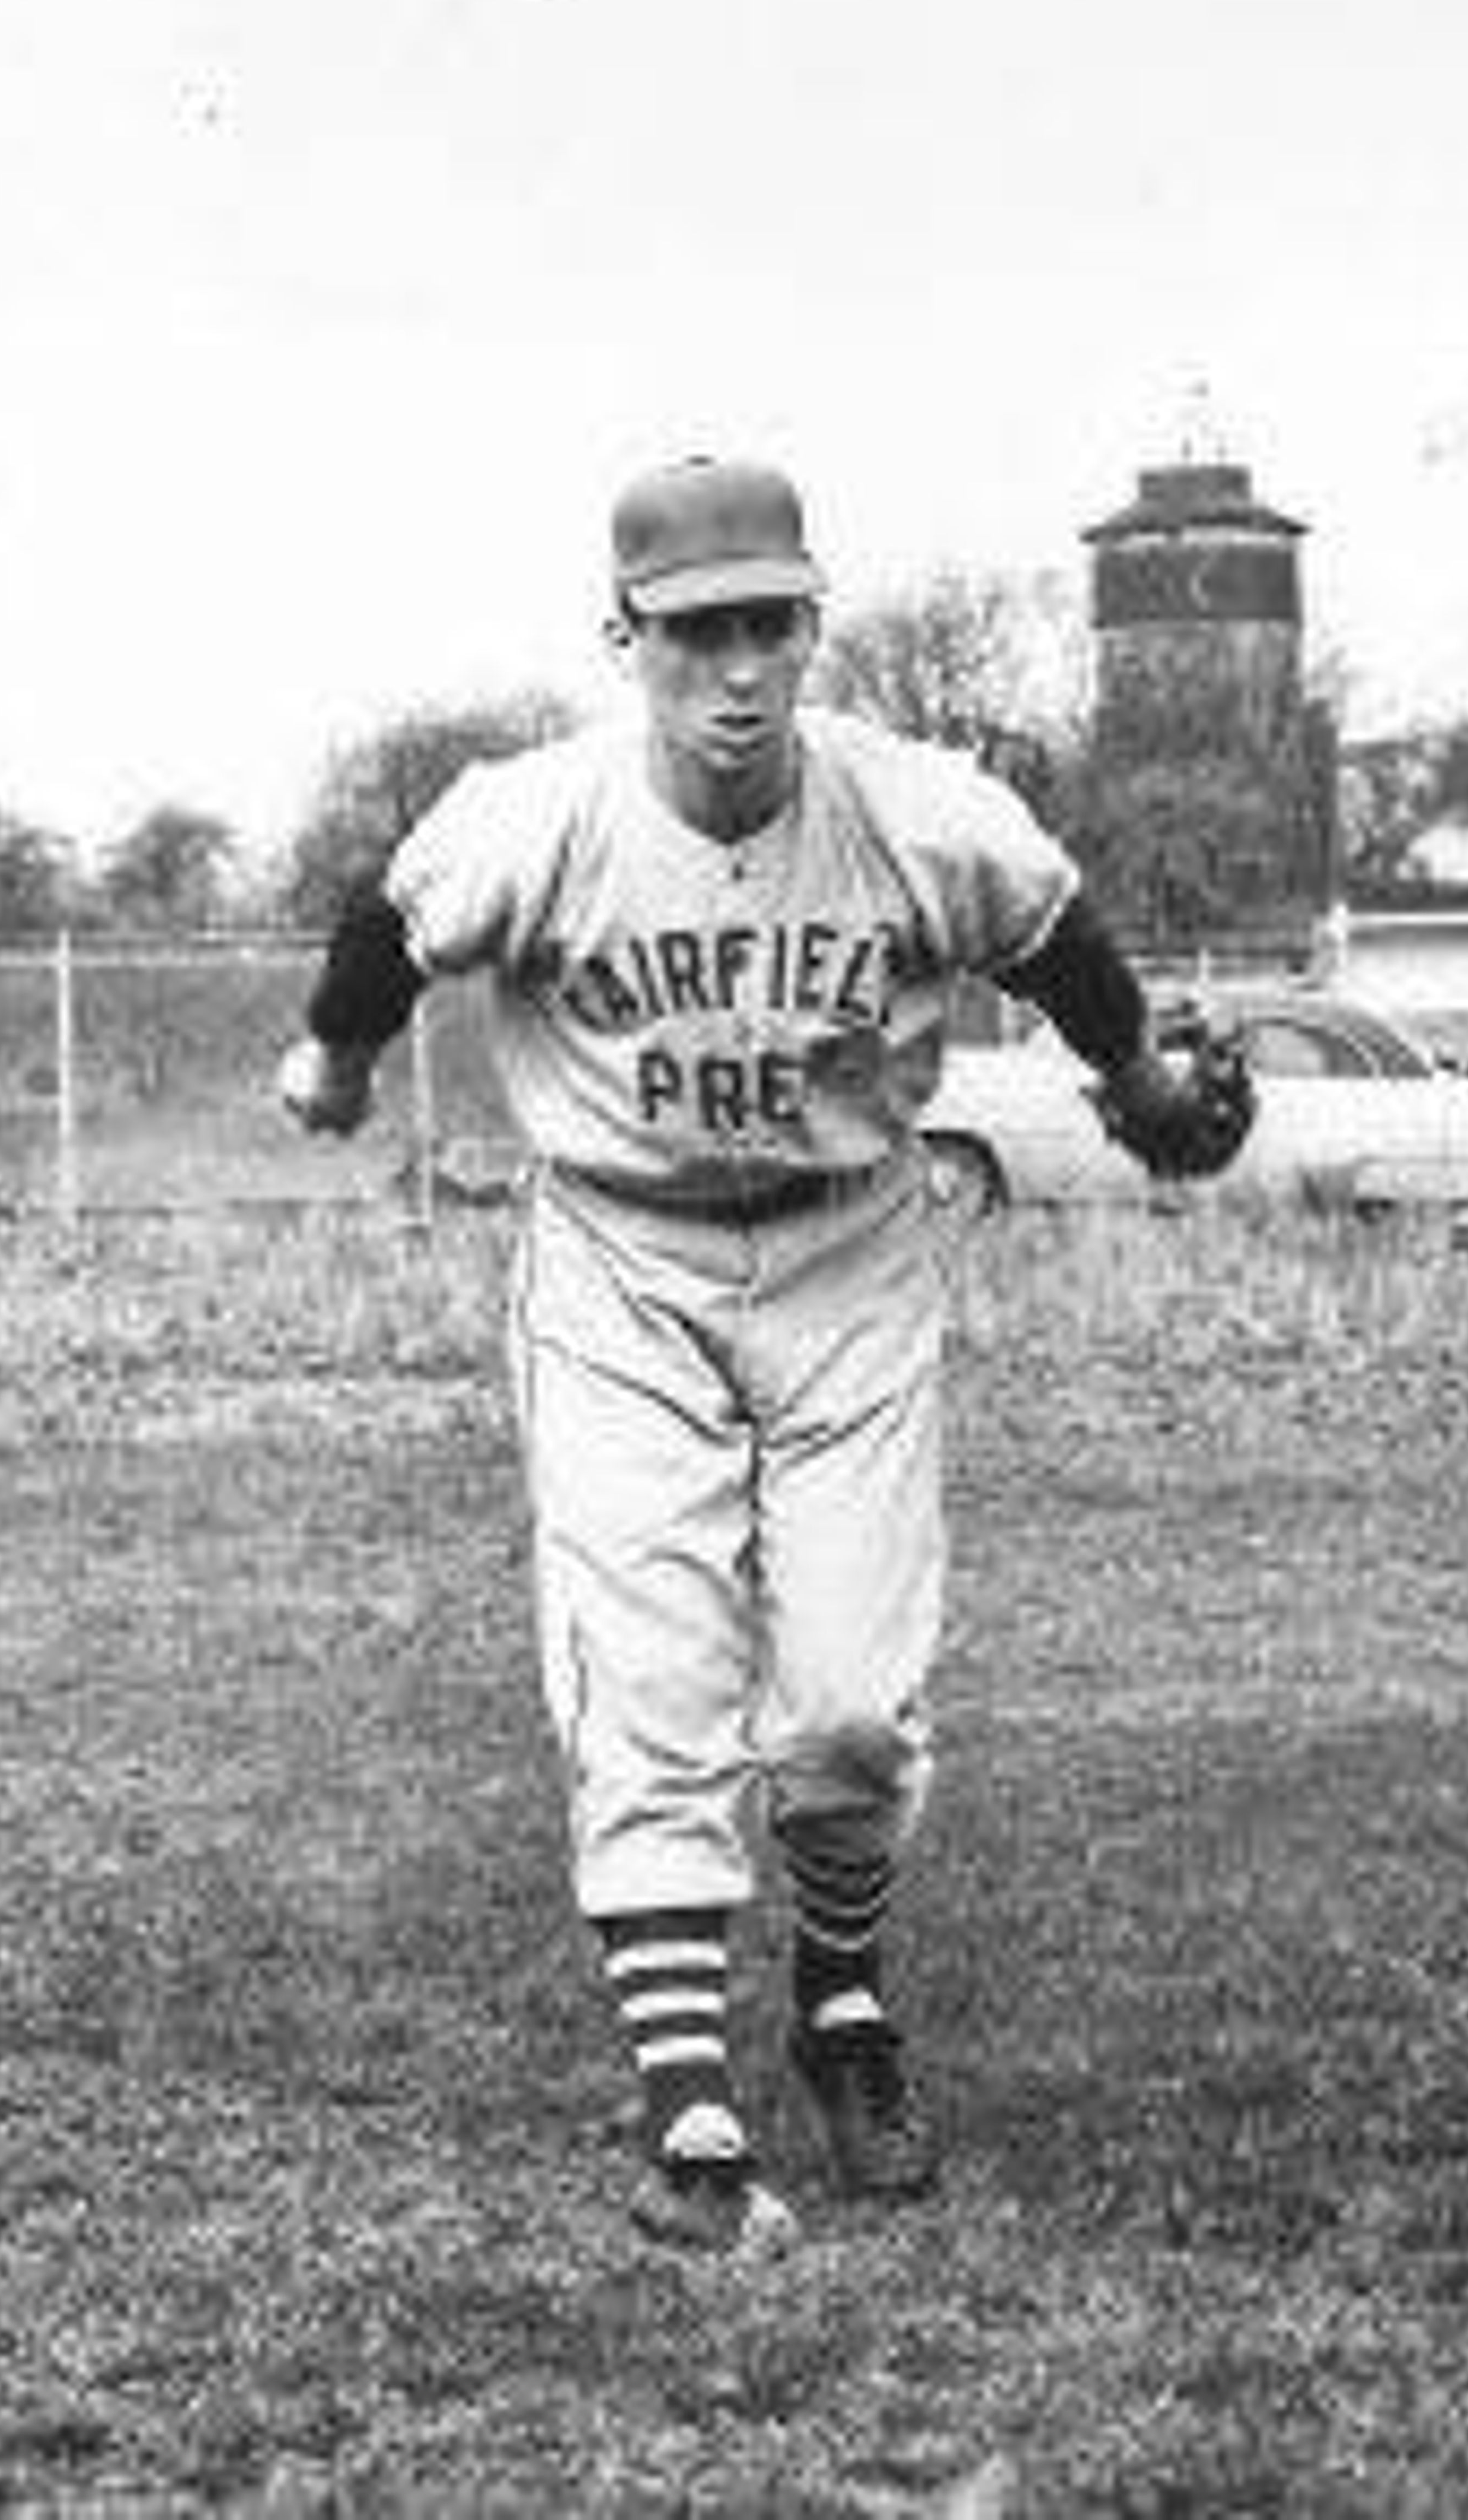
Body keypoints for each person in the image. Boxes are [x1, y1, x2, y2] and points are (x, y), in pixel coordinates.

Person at [278, 454, 1251, 2252]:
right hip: (618, 1257)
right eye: (694, 631)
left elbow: (1051, 938)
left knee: (846, 1713)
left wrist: (1130, 1083)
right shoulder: (538, 811)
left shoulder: (910, 805)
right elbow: (383, 933)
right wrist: (332, 1065)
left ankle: (842, 2006)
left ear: (811, 626)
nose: (734, 669)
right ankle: (690, 2117)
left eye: (767, 626)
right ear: (625, 638)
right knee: (645, 1686)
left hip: (846, 1251)